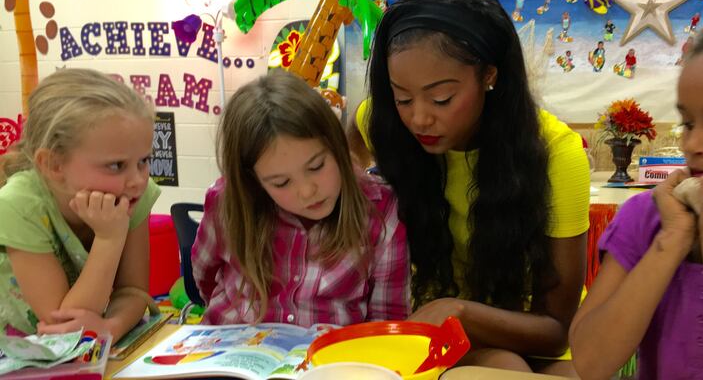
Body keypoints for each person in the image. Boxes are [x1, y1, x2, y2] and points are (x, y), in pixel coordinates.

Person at [356, 0, 590, 374]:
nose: (419, 118)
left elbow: (556, 329)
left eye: (442, 98)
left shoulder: (555, 153)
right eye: (402, 97)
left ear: (489, 76)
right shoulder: (381, 125)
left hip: (527, 330)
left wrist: (458, 311)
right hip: (432, 328)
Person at [570, 11, 703, 379]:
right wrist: (672, 239)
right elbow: (591, 362)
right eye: (688, 123)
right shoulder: (649, 216)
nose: (693, 144)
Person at [192, 70, 410, 326]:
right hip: (231, 352)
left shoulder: (380, 209)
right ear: (253, 181)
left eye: (317, 166)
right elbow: (204, 279)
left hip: (330, 360)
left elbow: (388, 322)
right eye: (281, 182)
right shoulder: (228, 202)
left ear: (337, 146)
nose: (307, 191)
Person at [0, 68, 160, 341]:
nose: (137, 181)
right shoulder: (17, 206)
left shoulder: (132, 194)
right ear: (53, 164)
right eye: (116, 165)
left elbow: (133, 291)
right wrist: (109, 239)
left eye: (143, 161)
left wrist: (110, 328)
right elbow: (62, 325)